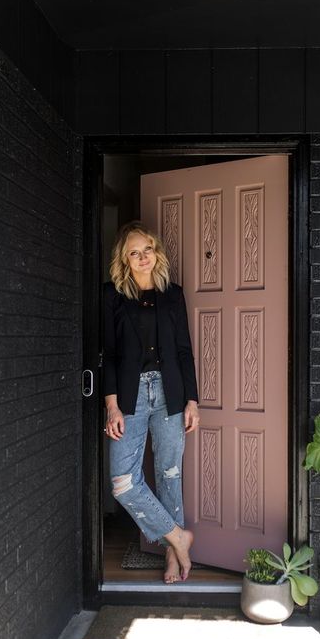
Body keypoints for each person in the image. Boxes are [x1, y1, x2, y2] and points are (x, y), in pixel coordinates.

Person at [103, 220, 199, 584]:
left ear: (156, 252)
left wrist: (192, 400)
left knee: (169, 474)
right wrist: (111, 406)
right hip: (130, 396)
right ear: (124, 259)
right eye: (134, 252)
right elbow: (108, 354)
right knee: (123, 481)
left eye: (147, 250)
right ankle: (178, 537)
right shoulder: (111, 295)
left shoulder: (173, 294)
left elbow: (184, 351)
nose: (142, 257)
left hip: (170, 393)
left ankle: (174, 558)